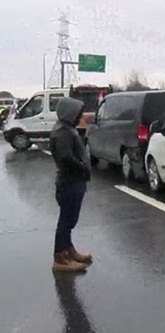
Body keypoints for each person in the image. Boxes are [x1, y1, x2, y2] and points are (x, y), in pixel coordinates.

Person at [50, 97, 92, 272]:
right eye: (78, 113)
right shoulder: (62, 132)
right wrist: (82, 167)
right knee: (66, 221)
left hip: (75, 181)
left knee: (70, 220)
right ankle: (60, 258)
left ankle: (69, 250)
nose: (80, 116)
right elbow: (65, 157)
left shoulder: (67, 129)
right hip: (70, 182)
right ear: (69, 112)